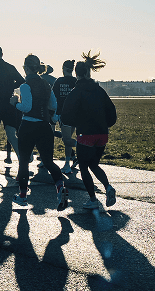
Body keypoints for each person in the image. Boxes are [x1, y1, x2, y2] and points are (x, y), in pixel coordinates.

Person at [10, 54, 69, 210]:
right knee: (49, 162)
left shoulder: (25, 85)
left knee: (23, 161)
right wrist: (51, 117)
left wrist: (16, 103)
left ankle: (23, 196)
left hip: (28, 126)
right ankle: (60, 187)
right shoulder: (46, 84)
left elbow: (27, 107)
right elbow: (54, 105)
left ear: (27, 68)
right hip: (44, 127)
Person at [61, 52, 117, 210]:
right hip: (102, 134)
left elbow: (65, 115)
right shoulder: (100, 91)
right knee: (94, 164)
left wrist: (75, 123)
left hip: (85, 134)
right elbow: (111, 111)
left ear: (76, 74)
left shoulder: (76, 92)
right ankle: (108, 187)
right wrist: (106, 125)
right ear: (89, 72)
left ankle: (92, 199)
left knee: (84, 167)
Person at [0, 46, 23, 176]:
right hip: (9, 103)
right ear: (2, 54)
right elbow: (21, 81)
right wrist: (10, 86)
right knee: (12, 135)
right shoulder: (10, 67)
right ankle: (22, 164)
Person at [52, 60, 78, 174]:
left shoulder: (59, 81)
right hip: (75, 114)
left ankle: (68, 163)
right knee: (67, 138)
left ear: (63, 68)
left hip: (64, 114)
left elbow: (54, 97)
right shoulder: (76, 82)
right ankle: (71, 161)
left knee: (66, 140)